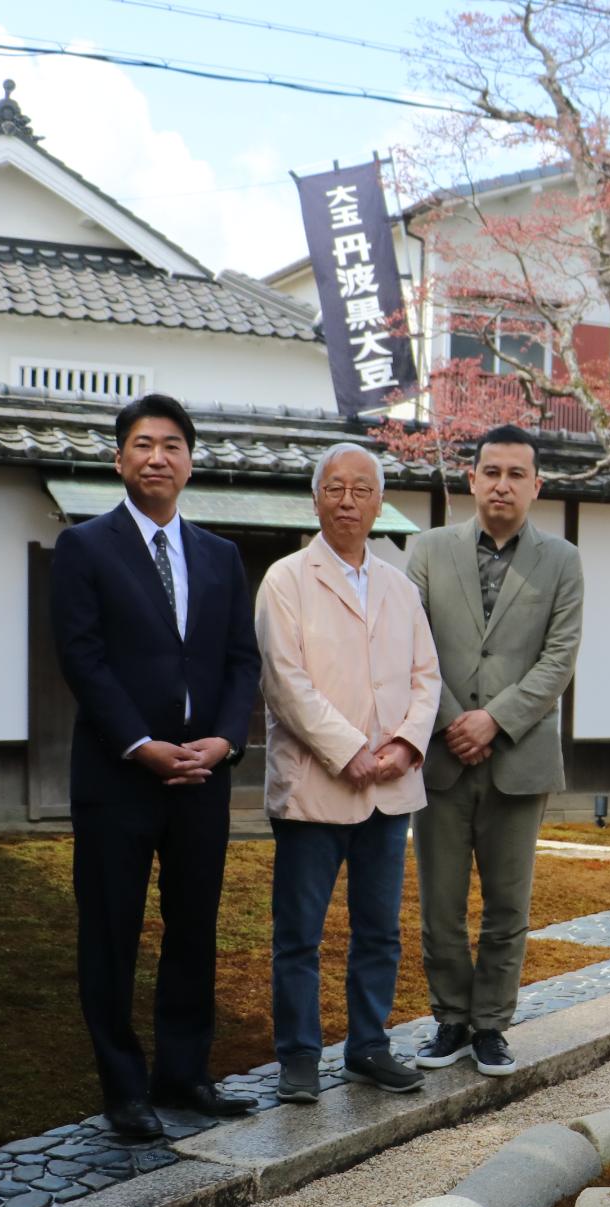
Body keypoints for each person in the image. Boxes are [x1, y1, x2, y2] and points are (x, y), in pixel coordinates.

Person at [50, 393, 262, 1141]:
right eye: (142, 444)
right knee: (110, 932)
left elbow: (242, 660)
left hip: (202, 777)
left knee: (194, 928)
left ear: (190, 461)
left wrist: (227, 740)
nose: (157, 457)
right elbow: (83, 658)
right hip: (118, 778)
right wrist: (139, 744)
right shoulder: (85, 548)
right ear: (119, 459)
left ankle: (184, 1073)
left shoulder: (220, 555)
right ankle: (123, 1089)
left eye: (172, 444)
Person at [254, 443, 440, 1103]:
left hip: (390, 788)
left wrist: (403, 746)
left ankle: (368, 1044)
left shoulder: (399, 585)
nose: (348, 502)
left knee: (379, 928)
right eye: (335, 488)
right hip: (315, 785)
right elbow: (285, 681)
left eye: (363, 489)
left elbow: (427, 677)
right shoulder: (285, 580)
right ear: (316, 498)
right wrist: (349, 749)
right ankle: (299, 1056)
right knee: (299, 932)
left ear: (378, 501)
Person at [406, 424, 583, 1077]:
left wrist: (494, 721)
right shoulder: (427, 550)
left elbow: (559, 659)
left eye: (516, 474)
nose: (502, 484)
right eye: (491, 471)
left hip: (519, 755)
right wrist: (458, 721)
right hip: (442, 754)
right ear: (472, 478)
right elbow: (413, 644)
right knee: (441, 902)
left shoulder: (562, 561)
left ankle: (491, 1027)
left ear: (536, 485)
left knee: (509, 903)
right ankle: (450, 1018)